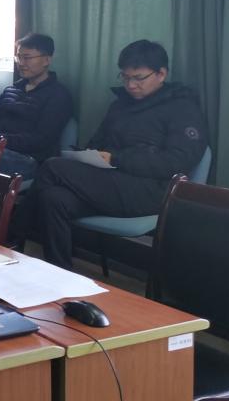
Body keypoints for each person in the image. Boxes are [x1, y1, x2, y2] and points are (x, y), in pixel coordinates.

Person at [33, 40, 209, 269]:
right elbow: (97, 143)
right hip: (111, 184)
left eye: (138, 78)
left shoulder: (183, 109)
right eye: (125, 77)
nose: (131, 85)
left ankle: (10, 237)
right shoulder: (120, 106)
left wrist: (116, 159)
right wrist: (89, 155)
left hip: (150, 191)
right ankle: (59, 273)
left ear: (161, 74)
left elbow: (178, 162)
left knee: (52, 166)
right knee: (54, 198)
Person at [0, 33, 73, 181]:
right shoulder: (11, 90)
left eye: (27, 58)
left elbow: (42, 139)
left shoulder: (58, 95)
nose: (21, 63)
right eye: (18, 57)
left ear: (46, 60)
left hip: (30, 159)